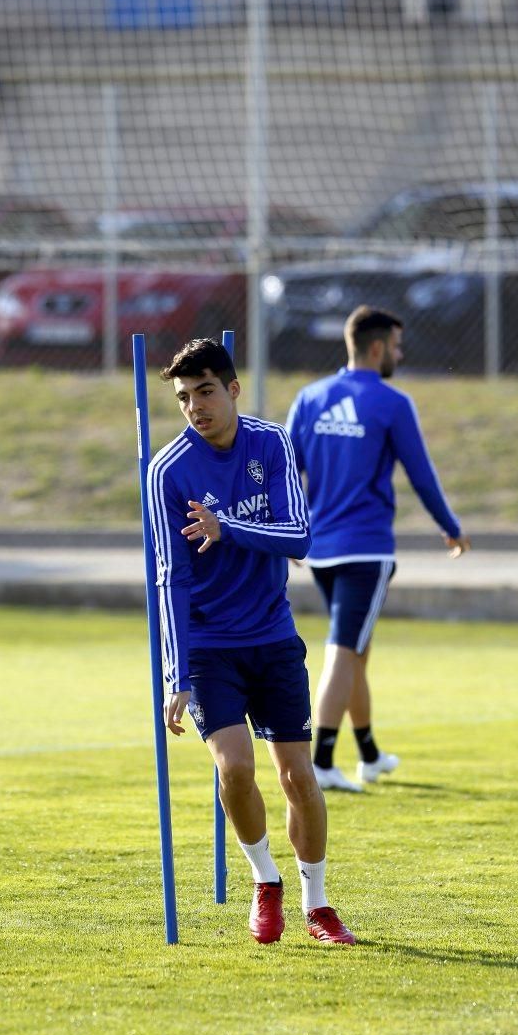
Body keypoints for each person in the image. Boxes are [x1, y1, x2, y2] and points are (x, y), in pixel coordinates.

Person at [147, 337, 355, 945]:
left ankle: (318, 905)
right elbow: (170, 577)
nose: (195, 407)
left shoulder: (273, 442)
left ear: (233, 389)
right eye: (184, 398)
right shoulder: (167, 469)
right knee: (235, 767)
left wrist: (227, 527)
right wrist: (174, 672)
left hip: (272, 636)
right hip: (210, 648)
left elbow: (298, 537)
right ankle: (266, 884)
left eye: (205, 392)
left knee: (299, 778)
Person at [286, 305, 470, 793]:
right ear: (376, 347)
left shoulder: (309, 397)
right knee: (344, 651)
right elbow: (422, 475)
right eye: (396, 345)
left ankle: (368, 754)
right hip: (365, 550)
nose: (400, 353)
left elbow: (288, 472)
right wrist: (450, 527)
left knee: (357, 652)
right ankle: (323, 759)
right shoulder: (392, 403)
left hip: (321, 551)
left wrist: (288, 529)